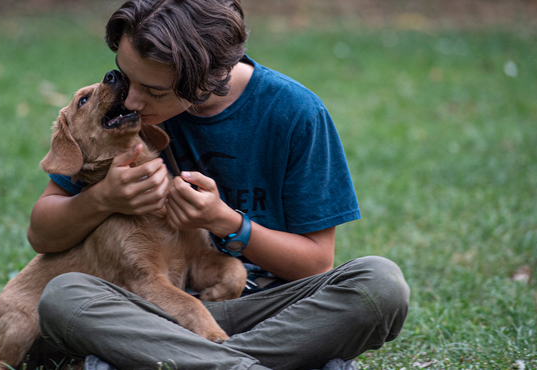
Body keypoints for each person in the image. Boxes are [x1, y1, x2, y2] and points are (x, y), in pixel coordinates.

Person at [29, 0, 410, 369]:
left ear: (207, 77)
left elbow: (315, 264)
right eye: (125, 77)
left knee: (380, 285)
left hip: (266, 308)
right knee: (64, 297)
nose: (130, 99)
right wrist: (102, 199)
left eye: (155, 92)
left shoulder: (296, 114)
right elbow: (42, 235)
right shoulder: (124, 107)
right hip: (149, 305)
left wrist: (228, 223)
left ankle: (164, 358)